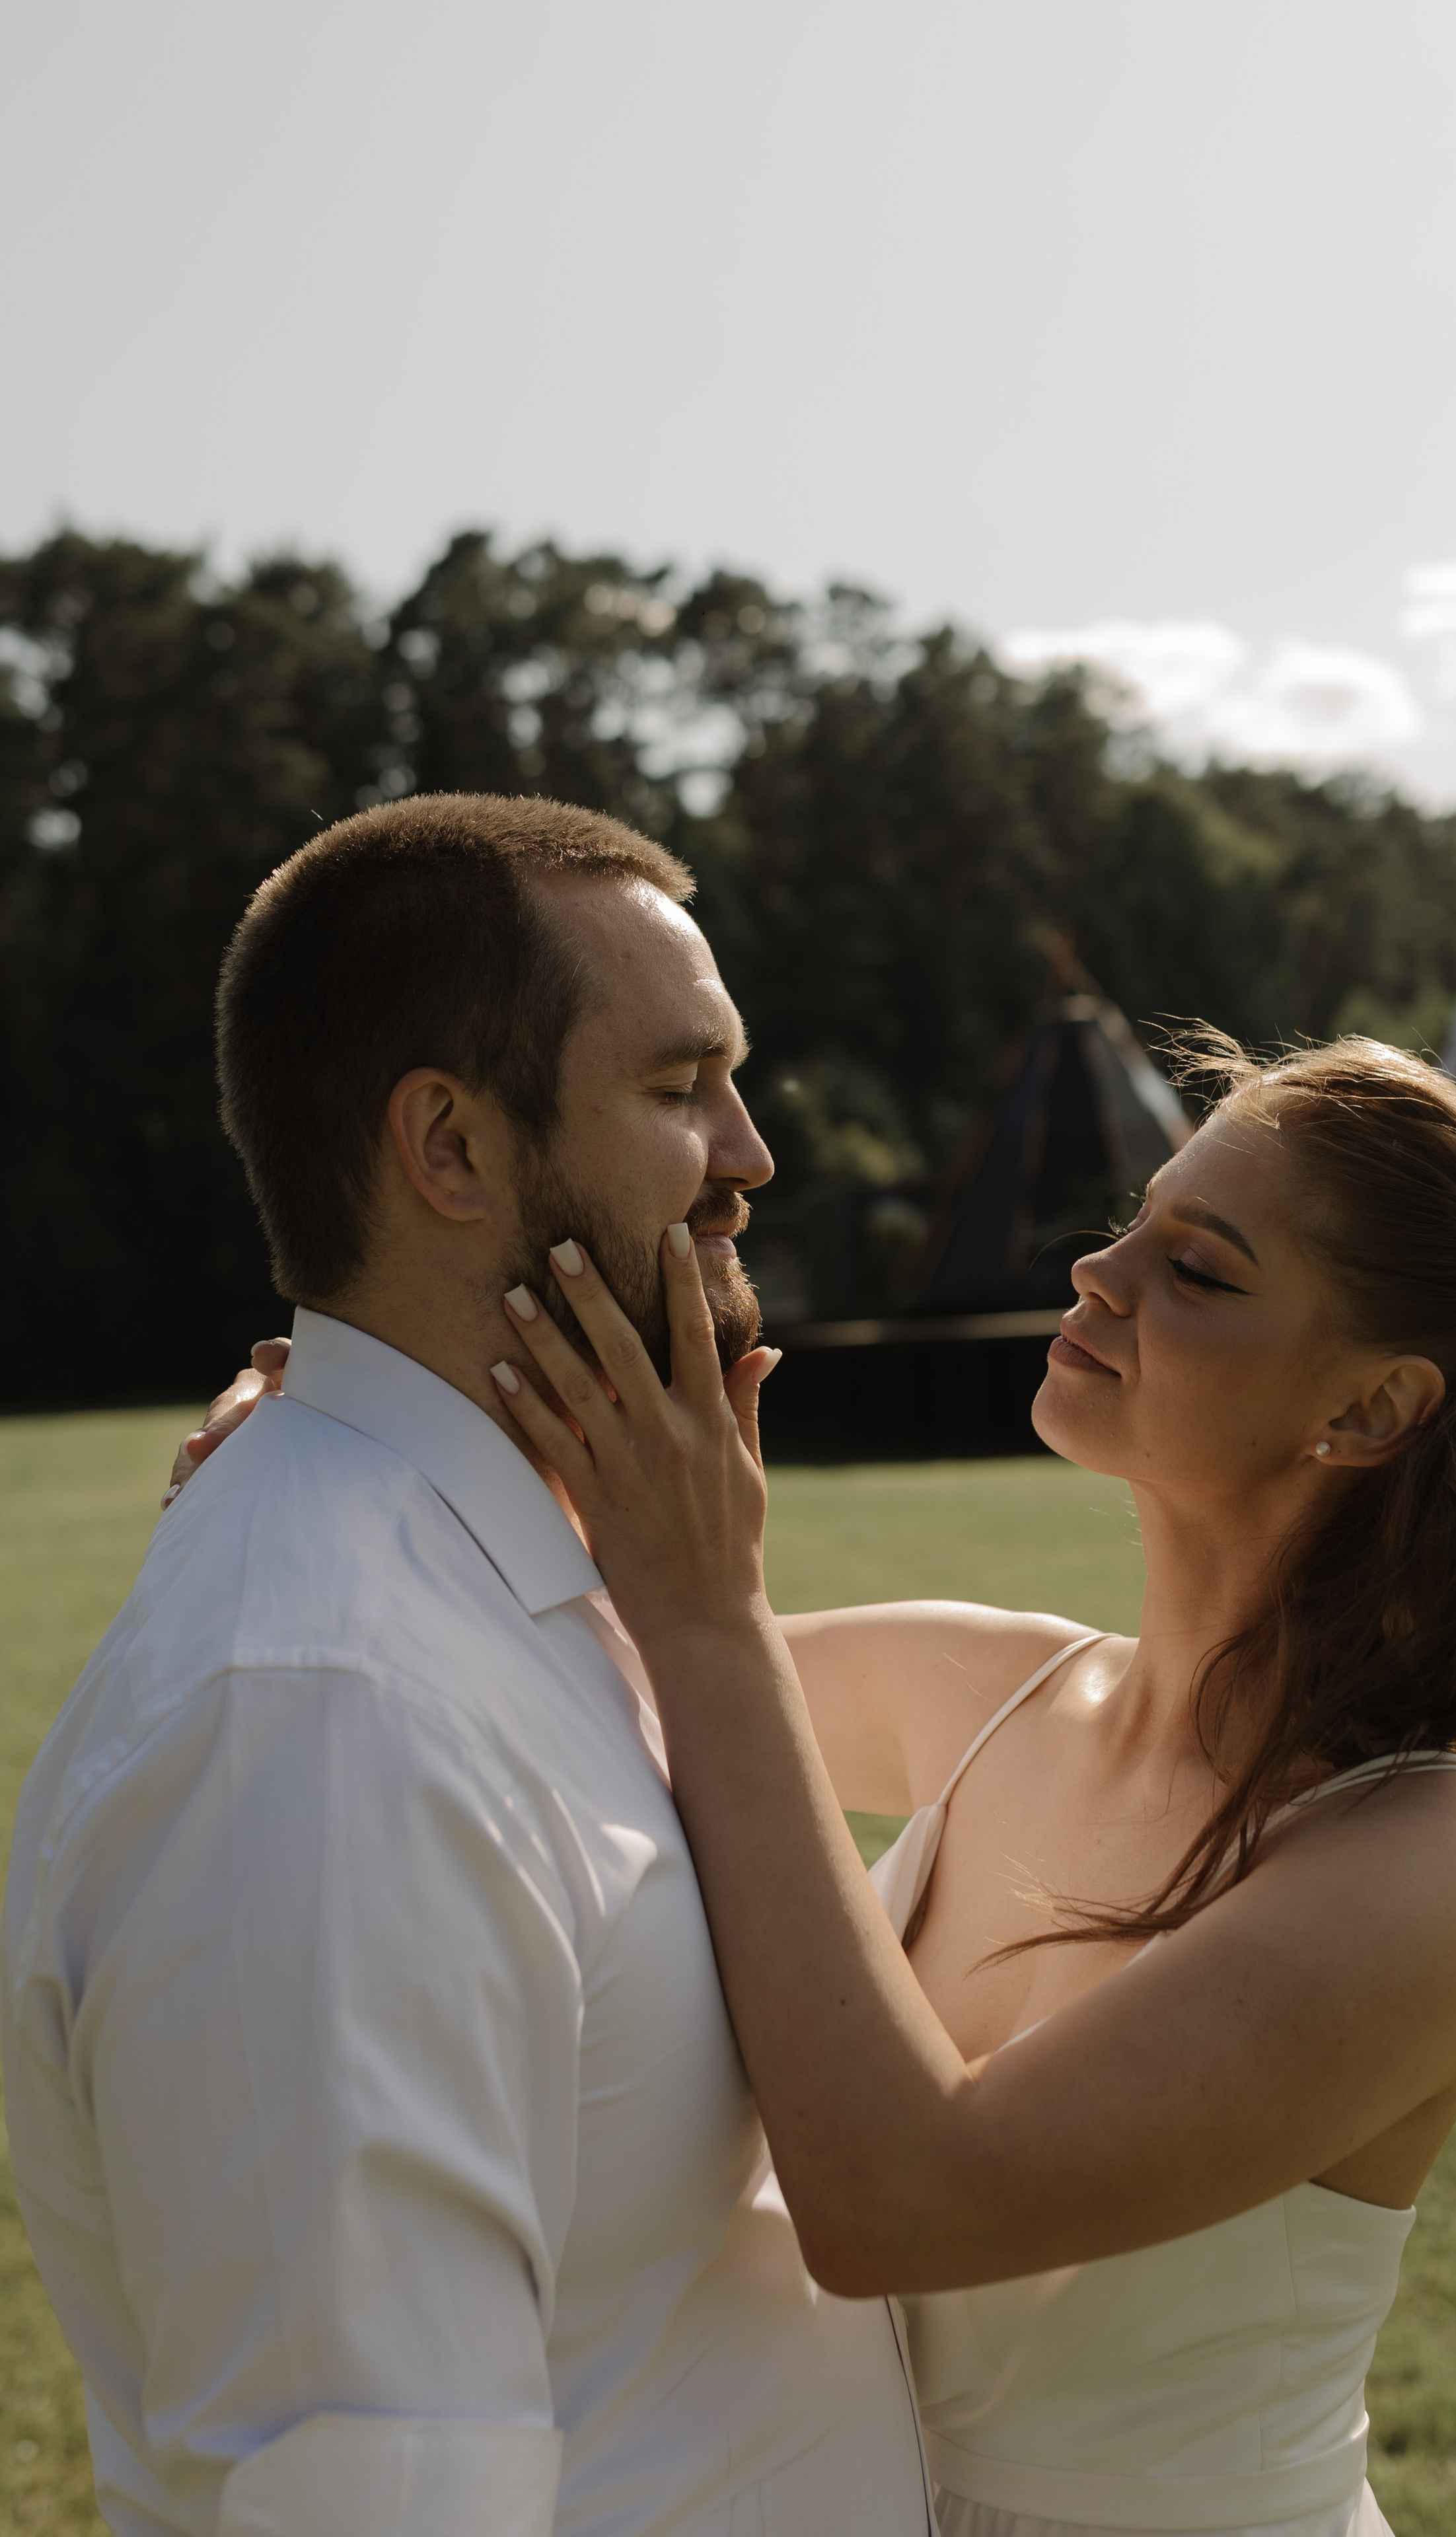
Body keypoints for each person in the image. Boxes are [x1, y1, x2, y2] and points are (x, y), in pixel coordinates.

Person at [468, 1034, 1456, 2537]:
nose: (1097, 1270)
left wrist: (715, 1613)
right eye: (1133, 1220)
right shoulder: (987, 1686)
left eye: (1200, 1269)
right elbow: (552, 1688)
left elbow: (900, 2200)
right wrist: (379, 1456)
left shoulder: (1433, 1862)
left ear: (1369, 1411)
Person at [1, 795, 935, 2537]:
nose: (751, 1152)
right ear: (450, 1149)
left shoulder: (534, 1587)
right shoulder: (318, 1732)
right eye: (677, 1089)